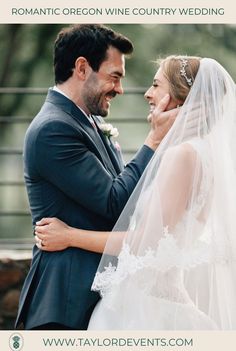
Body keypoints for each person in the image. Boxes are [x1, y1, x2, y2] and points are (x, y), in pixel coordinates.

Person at [35, 55, 236, 330]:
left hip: (145, 309)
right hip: (163, 302)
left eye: (156, 85)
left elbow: (146, 243)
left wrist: (69, 236)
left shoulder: (182, 156)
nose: (148, 94)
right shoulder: (203, 154)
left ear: (179, 99)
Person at [15, 25, 177, 330]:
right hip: (66, 301)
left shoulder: (86, 121)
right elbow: (116, 204)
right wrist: (154, 140)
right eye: (114, 76)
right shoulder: (53, 129)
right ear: (81, 68)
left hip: (101, 295)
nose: (119, 89)